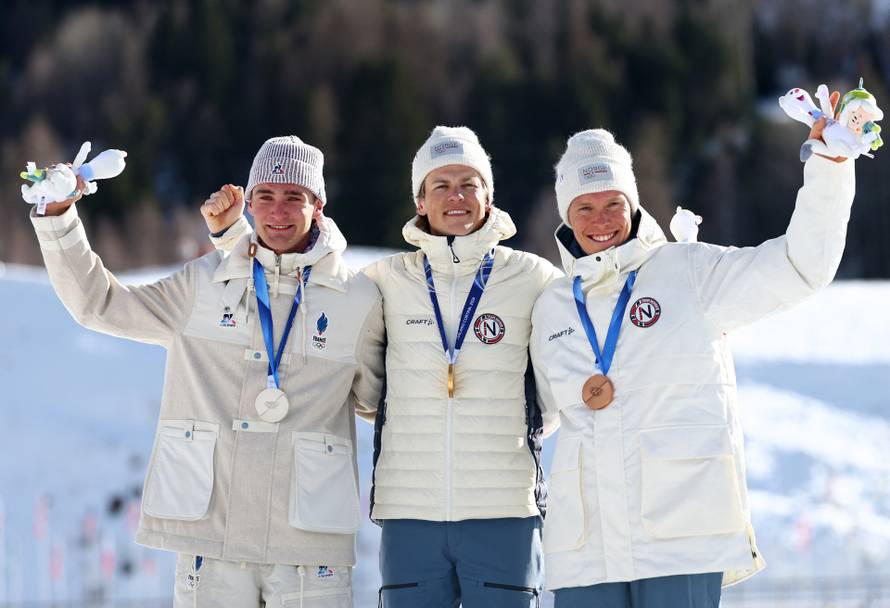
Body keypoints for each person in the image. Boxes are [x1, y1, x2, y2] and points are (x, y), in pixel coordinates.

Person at [205, 126, 562, 607]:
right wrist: (232, 236)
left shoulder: (534, 277)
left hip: (504, 511)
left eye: (468, 183)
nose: (455, 196)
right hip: (408, 512)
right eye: (440, 185)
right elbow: (292, 279)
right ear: (420, 200)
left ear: (488, 195)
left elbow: (556, 387)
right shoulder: (385, 282)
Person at [30, 135, 385, 607]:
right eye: (266, 196)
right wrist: (59, 220)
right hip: (211, 538)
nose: (278, 211)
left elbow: (380, 404)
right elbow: (100, 304)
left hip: (308, 544)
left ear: (318, 205)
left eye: (293, 197)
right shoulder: (203, 283)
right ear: (251, 203)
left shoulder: (358, 301)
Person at [529, 102, 856, 607]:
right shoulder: (551, 306)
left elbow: (798, 266)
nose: (600, 221)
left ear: (634, 205)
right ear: (566, 216)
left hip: (680, 539)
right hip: (585, 550)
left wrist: (828, 169)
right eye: (584, 208)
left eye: (612, 203)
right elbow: (536, 413)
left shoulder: (687, 272)